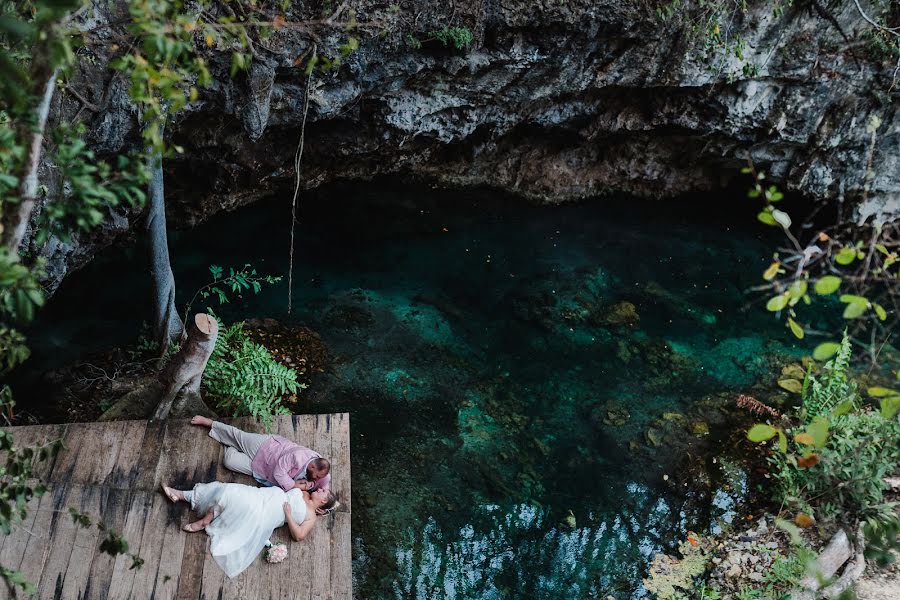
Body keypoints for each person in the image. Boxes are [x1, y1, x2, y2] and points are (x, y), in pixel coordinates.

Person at [161, 481, 338, 577]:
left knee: (232, 499)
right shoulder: (305, 492)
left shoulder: (311, 517)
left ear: (323, 501)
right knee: (224, 489)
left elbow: (298, 536)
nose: (320, 488)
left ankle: (200, 517)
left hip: (266, 513)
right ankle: (184, 498)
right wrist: (297, 486)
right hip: (263, 495)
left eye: (322, 491)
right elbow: (288, 489)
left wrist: (289, 515)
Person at [190, 415, 331, 493]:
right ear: (312, 467)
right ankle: (210, 423)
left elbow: (325, 483)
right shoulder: (297, 456)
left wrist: (325, 496)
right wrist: (295, 486)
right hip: (265, 448)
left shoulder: (320, 470)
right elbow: (279, 473)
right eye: (317, 476)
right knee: (238, 436)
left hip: (263, 470)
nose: (318, 479)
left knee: (229, 462)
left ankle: (227, 443)